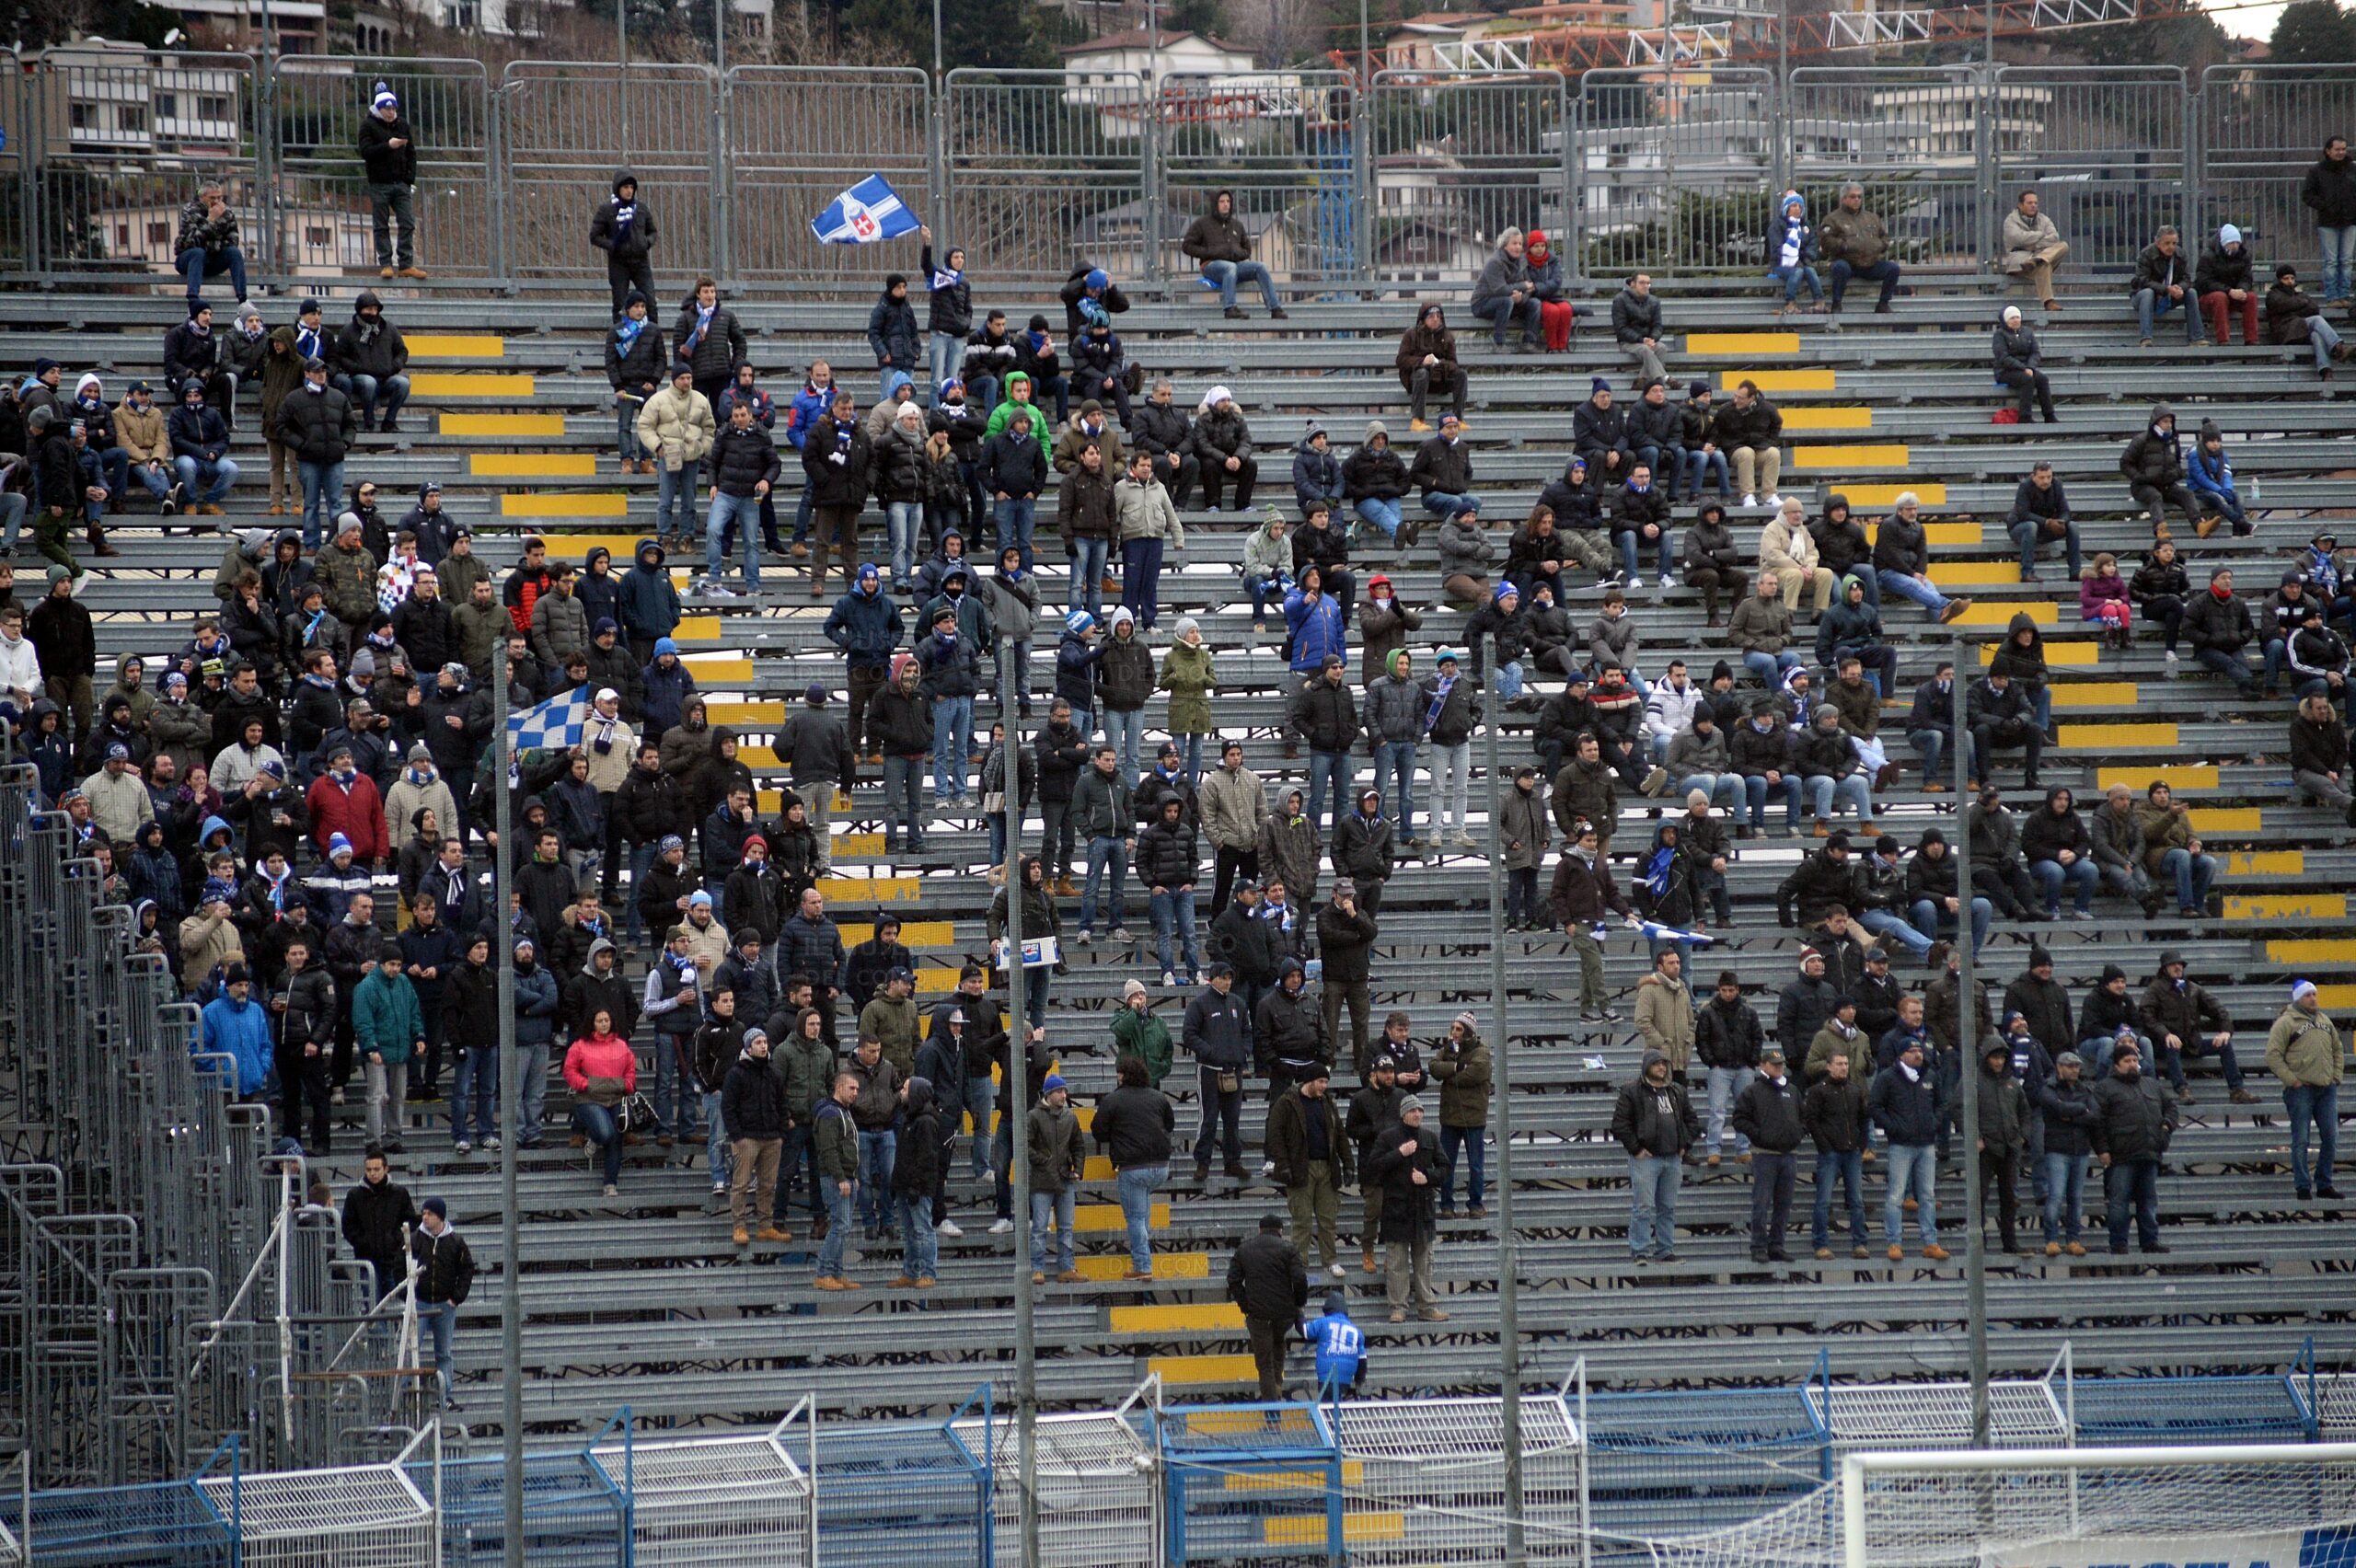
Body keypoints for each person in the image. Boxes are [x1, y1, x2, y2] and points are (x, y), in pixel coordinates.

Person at [1611, 1050, 1697, 1263]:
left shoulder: (1677, 1091)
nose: (1661, 1067)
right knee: (1643, 1207)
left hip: (1673, 1158)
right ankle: (1640, 1252)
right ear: (1646, 1067)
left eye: (1664, 1064)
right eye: (1656, 1064)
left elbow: (1692, 1120)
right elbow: (1620, 1124)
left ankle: (1665, 1251)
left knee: (1667, 1207)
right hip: (1646, 1159)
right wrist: (1636, 1149)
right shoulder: (1631, 1091)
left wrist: (1685, 1144)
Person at [1365, 1097, 1445, 1322]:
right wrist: (1399, 1153)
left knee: (1424, 1264)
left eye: (1420, 1110)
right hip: (1396, 1210)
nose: (1417, 1114)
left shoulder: (1430, 1137)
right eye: (1412, 1111)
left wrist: (1427, 1177)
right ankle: (1398, 1308)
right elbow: (1373, 1166)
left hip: (1423, 1210)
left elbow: (1445, 1168)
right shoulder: (1387, 1137)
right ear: (1403, 1114)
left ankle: (1427, 1307)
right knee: (1397, 1264)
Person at [1869, 1035, 1949, 1262]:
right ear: (1902, 1055)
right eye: (1913, 1051)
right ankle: (1894, 1242)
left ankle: (1930, 1242)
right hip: (1901, 1145)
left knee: (1927, 1195)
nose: (1918, 1055)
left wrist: (1933, 1123)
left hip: (1926, 1144)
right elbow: (1874, 1106)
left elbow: (1941, 1104)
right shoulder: (1888, 1077)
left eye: (1920, 1051)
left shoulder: (1930, 1076)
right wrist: (1893, 1127)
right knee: (1896, 1196)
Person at [2091, 1043, 2175, 1254]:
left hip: (2149, 1152)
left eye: (2135, 1060)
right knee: (2118, 1203)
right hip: (2121, 1156)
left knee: (2148, 1202)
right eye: (2127, 1061)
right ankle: (2119, 1242)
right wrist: (2102, 1149)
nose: (2132, 1064)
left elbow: (2171, 1108)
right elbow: (2096, 1122)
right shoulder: (2104, 1088)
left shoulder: (2152, 1084)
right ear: (2116, 1065)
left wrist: (2166, 1127)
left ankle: (2150, 1241)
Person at [1267, 1062, 1346, 1279]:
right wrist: (1283, 1165)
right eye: (1321, 1081)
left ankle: (1330, 1261)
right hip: (1300, 1168)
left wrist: (1348, 1162)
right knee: (1301, 1220)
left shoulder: (1327, 1102)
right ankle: (1299, 1263)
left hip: (1326, 1167)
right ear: (1310, 1080)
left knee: (1328, 1219)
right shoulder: (1287, 1102)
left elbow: (1339, 1133)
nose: (1324, 1086)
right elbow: (1275, 1134)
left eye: (1326, 1082)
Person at [2268, 981, 2344, 1204]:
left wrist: (2336, 1075)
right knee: (2301, 1140)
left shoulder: (2324, 1020)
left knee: (2331, 1137)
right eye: (2308, 995)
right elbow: (2272, 1055)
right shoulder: (2286, 1022)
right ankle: (2302, 1186)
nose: (2313, 998)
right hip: (2301, 1090)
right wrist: (2292, 1080)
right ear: (2298, 998)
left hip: (2326, 1088)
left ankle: (2324, 1183)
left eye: (2314, 994)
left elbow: (2338, 1049)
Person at [1184, 965, 1254, 1182]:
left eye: (1230, 978)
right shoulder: (1199, 1004)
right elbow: (1189, 1034)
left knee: (1232, 1119)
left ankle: (1232, 1161)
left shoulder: (1238, 1003)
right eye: (1223, 978)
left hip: (1233, 1070)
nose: (1227, 982)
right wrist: (1208, 1051)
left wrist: (1243, 1052)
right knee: (1209, 1118)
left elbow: (1247, 1032)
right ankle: (1203, 1162)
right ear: (1212, 979)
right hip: (1209, 1070)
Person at [1731, 1049, 1803, 1262]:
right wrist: (1759, 1135)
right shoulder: (1753, 1091)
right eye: (1773, 1064)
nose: (1778, 1067)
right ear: (1763, 1065)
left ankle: (1777, 1245)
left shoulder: (1792, 1090)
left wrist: (1798, 1133)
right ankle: (1758, 1246)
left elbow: (1804, 1116)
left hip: (1789, 1155)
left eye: (1780, 1064)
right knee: (1761, 1203)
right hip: (1765, 1155)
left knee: (1783, 1204)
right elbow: (1739, 1119)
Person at [1801, 1044, 1872, 1260]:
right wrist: (1824, 1145)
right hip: (1830, 1153)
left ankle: (1860, 1243)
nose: (1843, 1067)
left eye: (1846, 1064)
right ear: (1829, 1066)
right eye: (1839, 1064)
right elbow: (1811, 1120)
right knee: (1824, 1200)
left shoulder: (1854, 1090)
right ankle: (1820, 1244)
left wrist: (1861, 1144)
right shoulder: (1818, 1091)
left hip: (1852, 1152)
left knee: (1856, 1201)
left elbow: (1863, 1118)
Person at [704, 398, 779, 600]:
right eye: (736, 416)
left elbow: (775, 464)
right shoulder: (724, 434)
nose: (739, 419)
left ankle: (753, 585)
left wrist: (766, 480)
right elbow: (712, 463)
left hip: (749, 497)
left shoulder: (762, 436)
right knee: (713, 530)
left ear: (750, 415)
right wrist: (712, 484)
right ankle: (714, 577)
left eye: (743, 415)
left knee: (751, 542)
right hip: (726, 493)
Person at [1229, 1214, 1309, 1400]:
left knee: (1265, 1365)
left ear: (1260, 1230)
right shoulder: (1289, 1249)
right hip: (1284, 1314)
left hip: (1258, 1315)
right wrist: (1298, 1303)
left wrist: (1245, 1305)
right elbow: (1300, 1279)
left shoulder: (1244, 1249)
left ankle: (1272, 1411)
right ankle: (1277, 1386)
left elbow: (1233, 1280)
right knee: (1279, 1344)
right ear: (1280, 1230)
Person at [407, 1196, 472, 1410]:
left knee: (444, 1353)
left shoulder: (456, 1242)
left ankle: (445, 1396)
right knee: (410, 1349)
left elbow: (467, 1270)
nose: (425, 1217)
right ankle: (406, 1391)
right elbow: (400, 1265)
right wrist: (408, 1295)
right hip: (420, 1302)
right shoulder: (415, 1239)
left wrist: (456, 1297)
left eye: (430, 1214)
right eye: (424, 1213)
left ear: (440, 1217)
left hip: (445, 1305)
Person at [564, 1006, 635, 1197]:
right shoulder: (580, 1045)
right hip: (590, 1099)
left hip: (616, 1098)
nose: (604, 1024)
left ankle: (610, 1184)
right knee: (606, 1133)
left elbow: (630, 1069)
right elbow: (569, 1070)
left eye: (606, 1020)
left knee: (616, 1139)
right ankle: (595, 1138)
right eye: (599, 1021)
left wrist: (628, 1084)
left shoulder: (622, 1045)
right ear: (592, 1023)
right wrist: (585, 1084)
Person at [1183, 189, 1285, 319]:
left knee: (1261, 267)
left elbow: (1247, 249)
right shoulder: (1202, 224)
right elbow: (1187, 246)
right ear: (1215, 204)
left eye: (1228, 201)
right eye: (1222, 201)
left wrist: (1235, 253)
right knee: (1229, 267)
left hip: (1235, 265)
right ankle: (1230, 308)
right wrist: (1210, 252)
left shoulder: (1237, 225)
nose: (1226, 204)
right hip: (1211, 266)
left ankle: (1275, 309)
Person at [356, 83, 422, 278]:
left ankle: (406, 264)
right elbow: (366, 152)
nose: (391, 112)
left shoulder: (402, 125)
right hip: (379, 183)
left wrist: (409, 178)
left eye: (393, 108)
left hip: (401, 183)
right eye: (388, 109)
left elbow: (411, 152)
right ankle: (386, 263)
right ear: (379, 109)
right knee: (381, 225)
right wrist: (388, 146)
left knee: (408, 222)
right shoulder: (368, 126)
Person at [341, 1147, 418, 1306]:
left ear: (386, 1169)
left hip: (394, 1261)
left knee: (401, 1305)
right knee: (372, 1308)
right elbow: (348, 1226)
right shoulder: (354, 1195)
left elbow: (411, 1221)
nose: (372, 1173)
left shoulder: (400, 1193)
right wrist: (363, 1242)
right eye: (369, 1170)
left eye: (376, 1169)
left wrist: (396, 1240)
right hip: (367, 1261)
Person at [2119, 403, 2200, 544]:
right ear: (2156, 422)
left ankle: (2199, 525)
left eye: (2171, 422)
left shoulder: (2173, 440)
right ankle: (2160, 529)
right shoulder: (2141, 440)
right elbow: (2125, 463)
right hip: (2143, 486)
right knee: (2155, 497)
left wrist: (2177, 473)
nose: (2169, 425)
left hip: (2166, 485)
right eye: (2165, 421)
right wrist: (2138, 477)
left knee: (2187, 494)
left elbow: (2177, 462)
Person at [812, 1071, 863, 1288]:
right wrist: (841, 1178)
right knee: (839, 1226)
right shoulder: (830, 1114)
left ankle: (836, 1273)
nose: (855, 1093)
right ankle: (823, 1273)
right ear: (839, 1087)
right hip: (835, 1179)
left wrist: (853, 1176)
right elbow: (828, 1150)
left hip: (847, 1177)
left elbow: (849, 1147)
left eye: (857, 1089)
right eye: (851, 1088)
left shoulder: (844, 1112)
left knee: (844, 1227)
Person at [1820, 182, 1900, 316]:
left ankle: (1883, 304)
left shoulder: (1872, 218)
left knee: (1893, 269)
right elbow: (1826, 240)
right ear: (1844, 199)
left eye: (1859, 197)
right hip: (1846, 262)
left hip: (1869, 264)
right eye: (1853, 197)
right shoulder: (1832, 219)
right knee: (1840, 268)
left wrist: (1879, 245)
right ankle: (1837, 304)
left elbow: (1884, 237)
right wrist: (1844, 245)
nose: (1856, 200)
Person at [2265, 265, 2348, 380]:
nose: (2290, 281)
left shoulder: (2299, 295)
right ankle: (2338, 347)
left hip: (2301, 330)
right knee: (2316, 319)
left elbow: (2314, 308)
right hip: (2285, 331)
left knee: (2316, 335)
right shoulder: (2273, 295)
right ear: (2279, 280)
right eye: (2286, 278)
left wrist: (2294, 307)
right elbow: (2282, 304)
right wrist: (2302, 303)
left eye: (2292, 278)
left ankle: (2326, 371)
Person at [174, 181, 248, 311]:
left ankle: (243, 299)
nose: (216, 201)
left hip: (213, 260)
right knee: (198, 252)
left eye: (219, 197)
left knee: (234, 252)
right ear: (202, 197)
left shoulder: (227, 213)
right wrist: (211, 220)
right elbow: (191, 242)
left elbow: (233, 241)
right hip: (189, 261)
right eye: (212, 198)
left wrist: (209, 243)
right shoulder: (190, 211)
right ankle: (193, 299)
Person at [1395, 305, 1465, 432]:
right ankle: (1418, 420)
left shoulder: (1447, 336)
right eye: (1431, 316)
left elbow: (1454, 364)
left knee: (1461, 375)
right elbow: (1401, 360)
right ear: (1423, 319)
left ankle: (1458, 419)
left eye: (1438, 316)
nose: (1435, 319)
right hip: (1416, 379)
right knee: (1422, 373)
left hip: (1439, 378)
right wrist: (1422, 361)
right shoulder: (1411, 334)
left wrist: (1439, 363)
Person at [1470, 228, 1542, 351]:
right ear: (1505, 245)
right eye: (1514, 243)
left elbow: (1530, 287)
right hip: (1483, 303)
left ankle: (1529, 343)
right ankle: (1498, 345)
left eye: (1520, 244)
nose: (1518, 247)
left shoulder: (1522, 261)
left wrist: (1521, 298)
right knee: (1506, 301)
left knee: (1535, 303)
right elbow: (1500, 290)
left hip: (1511, 302)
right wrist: (1522, 286)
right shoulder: (1495, 262)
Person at [2131, 225, 2201, 346]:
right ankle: (2146, 338)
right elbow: (2142, 280)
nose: (2171, 247)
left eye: (2174, 243)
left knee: (2191, 292)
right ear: (2158, 243)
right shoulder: (2146, 254)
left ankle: (2197, 338)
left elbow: (2186, 279)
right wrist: (2166, 289)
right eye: (2167, 243)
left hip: (2170, 295)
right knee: (2148, 293)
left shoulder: (2180, 254)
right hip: (2144, 297)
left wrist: (2180, 288)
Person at [2000, 189, 2067, 312]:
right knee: (2044, 265)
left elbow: (2054, 237)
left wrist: (2032, 245)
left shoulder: (2044, 219)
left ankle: (2038, 259)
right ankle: (2049, 303)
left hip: (2039, 255)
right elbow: (2018, 238)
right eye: (2030, 203)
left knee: (2063, 246)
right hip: (2020, 261)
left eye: (2035, 203)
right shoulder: (2011, 220)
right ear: (2020, 205)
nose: (2033, 205)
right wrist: (2040, 235)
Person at [2193, 223, 2260, 346]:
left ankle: (2252, 339)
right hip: (2209, 296)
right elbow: (2204, 281)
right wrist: (2229, 290)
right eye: (2231, 243)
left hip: (2233, 294)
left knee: (2251, 297)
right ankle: (2223, 340)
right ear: (2223, 243)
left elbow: (2247, 278)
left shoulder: (2244, 256)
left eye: (2237, 243)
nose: (2235, 246)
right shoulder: (2208, 257)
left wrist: (2241, 290)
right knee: (2220, 297)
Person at [1990, 305, 2056, 424]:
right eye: (2012, 318)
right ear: (2006, 321)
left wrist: (2030, 367)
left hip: (2026, 369)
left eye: (2017, 317)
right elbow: (2003, 357)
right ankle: (2025, 416)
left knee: (2043, 379)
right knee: (2027, 379)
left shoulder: (2028, 332)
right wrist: (2023, 368)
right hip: (2005, 371)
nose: (2016, 320)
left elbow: (2035, 353)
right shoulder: (1999, 335)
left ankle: (2049, 415)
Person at [1765, 191, 1823, 314]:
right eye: (1794, 206)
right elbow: (1777, 248)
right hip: (1782, 264)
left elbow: (1813, 242)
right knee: (1797, 272)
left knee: (1810, 271)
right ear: (1786, 208)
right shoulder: (1777, 225)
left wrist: (1806, 256)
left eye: (1800, 206)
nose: (1797, 209)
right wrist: (1794, 256)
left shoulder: (1806, 225)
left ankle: (1819, 302)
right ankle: (1790, 303)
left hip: (1803, 262)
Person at [1611, 271, 1667, 388]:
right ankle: (1664, 379)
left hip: (1648, 341)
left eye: (1648, 283)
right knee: (1645, 349)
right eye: (1642, 283)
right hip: (1628, 343)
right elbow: (1621, 328)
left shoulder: (1654, 301)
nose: (1646, 286)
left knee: (1661, 347)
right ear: (1632, 284)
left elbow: (1658, 326)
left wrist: (1653, 339)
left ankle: (1641, 380)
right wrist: (1641, 339)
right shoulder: (1620, 300)